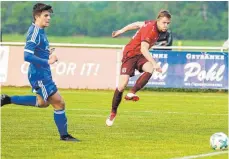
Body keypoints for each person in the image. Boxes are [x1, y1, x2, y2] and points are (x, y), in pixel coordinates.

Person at [1, 3, 79, 142]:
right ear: (37, 16)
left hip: (42, 73)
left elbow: (37, 52)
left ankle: (7, 99)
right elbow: (27, 56)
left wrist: (47, 53)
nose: (49, 18)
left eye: (49, 15)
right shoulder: (35, 32)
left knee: (42, 102)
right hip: (40, 75)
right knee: (59, 103)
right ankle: (64, 136)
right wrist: (47, 61)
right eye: (46, 15)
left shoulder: (41, 31)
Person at [106, 10, 171, 127]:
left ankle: (131, 93)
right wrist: (155, 63)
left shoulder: (151, 24)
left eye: (168, 23)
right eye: (164, 23)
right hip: (130, 54)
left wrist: (121, 31)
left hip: (139, 56)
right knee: (122, 85)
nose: (166, 25)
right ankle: (113, 112)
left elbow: (136, 24)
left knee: (149, 69)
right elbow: (144, 49)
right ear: (158, 21)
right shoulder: (151, 30)